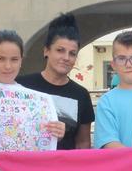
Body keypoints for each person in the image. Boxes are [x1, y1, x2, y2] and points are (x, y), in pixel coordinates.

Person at [16, 13, 94, 149]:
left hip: (67, 168)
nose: (66, 57)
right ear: (46, 51)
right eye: (60, 50)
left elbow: (83, 143)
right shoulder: (22, 86)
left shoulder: (81, 94)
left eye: (72, 53)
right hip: (27, 167)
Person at [94, 31, 132, 148]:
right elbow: (109, 144)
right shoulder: (106, 102)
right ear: (113, 64)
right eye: (121, 58)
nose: (128, 64)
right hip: (123, 166)